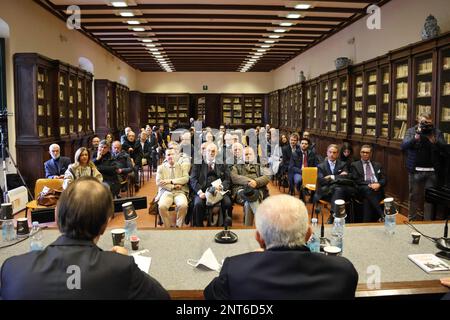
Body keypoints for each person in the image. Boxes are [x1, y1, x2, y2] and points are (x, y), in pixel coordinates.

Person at [0, 177, 170, 300]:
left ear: (56, 216)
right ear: (106, 223)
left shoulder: (12, 268)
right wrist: (125, 263)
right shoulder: (121, 268)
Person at [204, 194, 358, 300]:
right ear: (308, 234)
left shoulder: (235, 270)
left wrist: (252, 259)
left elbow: (210, 294)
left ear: (259, 238)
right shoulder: (343, 271)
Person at [401, 113, 446, 221]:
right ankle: (412, 220)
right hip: (415, 170)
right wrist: (415, 138)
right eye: (423, 123)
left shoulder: (436, 132)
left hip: (432, 171)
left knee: (429, 199)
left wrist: (434, 141)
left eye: (428, 123)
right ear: (418, 121)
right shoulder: (412, 131)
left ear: (432, 122)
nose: (426, 125)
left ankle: (428, 223)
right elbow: (403, 146)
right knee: (413, 197)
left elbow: (444, 148)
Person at [190, 143, 232, 227]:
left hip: (219, 190)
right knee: (198, 204)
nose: (211, 153)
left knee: (227, 203)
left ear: (216, 153)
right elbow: (193, 180)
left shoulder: (222, 164)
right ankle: (199, 226)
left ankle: (224, 226)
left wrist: (221, 187)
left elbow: (227, 179)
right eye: (209, 150)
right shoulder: (197, 164)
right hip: (202, 191)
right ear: (205, 152)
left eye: (213, 151)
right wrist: (199, 192)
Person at [315, 144, 355, 223]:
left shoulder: (343, 164)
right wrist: (338, 178)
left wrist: (331, 177)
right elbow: (322, 181)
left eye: (334, 152)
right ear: (327, 153)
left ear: (337, 154)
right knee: (338, 189)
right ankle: (339, 216)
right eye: (330, 152)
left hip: (339, 192)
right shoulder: (321, 166)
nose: (332, 154)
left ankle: (333, 214)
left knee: (338, 190)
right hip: (326, 192)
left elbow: (346, 179)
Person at [231, 147, 270, 226]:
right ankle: (262, 222)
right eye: (246, 154)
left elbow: (267, 176)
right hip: (241, 190)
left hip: (258, 190)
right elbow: (234, 177)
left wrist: (256, 182)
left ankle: (247, 228)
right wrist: (250, 182)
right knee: (250, 197)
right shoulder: (236, 166)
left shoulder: (260, 166)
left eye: (250, 154)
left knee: (248, 203)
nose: (248, 155)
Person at [350, 145, 386, 222]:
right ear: (360, 153)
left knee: (367, 200)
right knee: (368, 190)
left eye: (367, 152)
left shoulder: (377, 165)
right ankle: (382, 214)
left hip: (377, 190)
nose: (365, 154)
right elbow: (356, 180)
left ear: (371, 154)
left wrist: (378, 184)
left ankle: (366, 223)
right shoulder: (355, 165)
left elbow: (384, 179)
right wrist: (370, 185)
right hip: (362, 190)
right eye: (363, 152)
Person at [156, 148, 189, 228]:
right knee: (162, 206)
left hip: (180, 191)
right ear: (165, 157)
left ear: (176, 155)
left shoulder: (182, 166)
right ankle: (168, 228)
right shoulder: (161, 167)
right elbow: (159, 182)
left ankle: (178, 226)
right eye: (168, 155)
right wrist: (174, 186)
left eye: (172, 154)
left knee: (183, 205)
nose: (170, 156)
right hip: (166, 192)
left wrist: (170, 181)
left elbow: (186, 179)